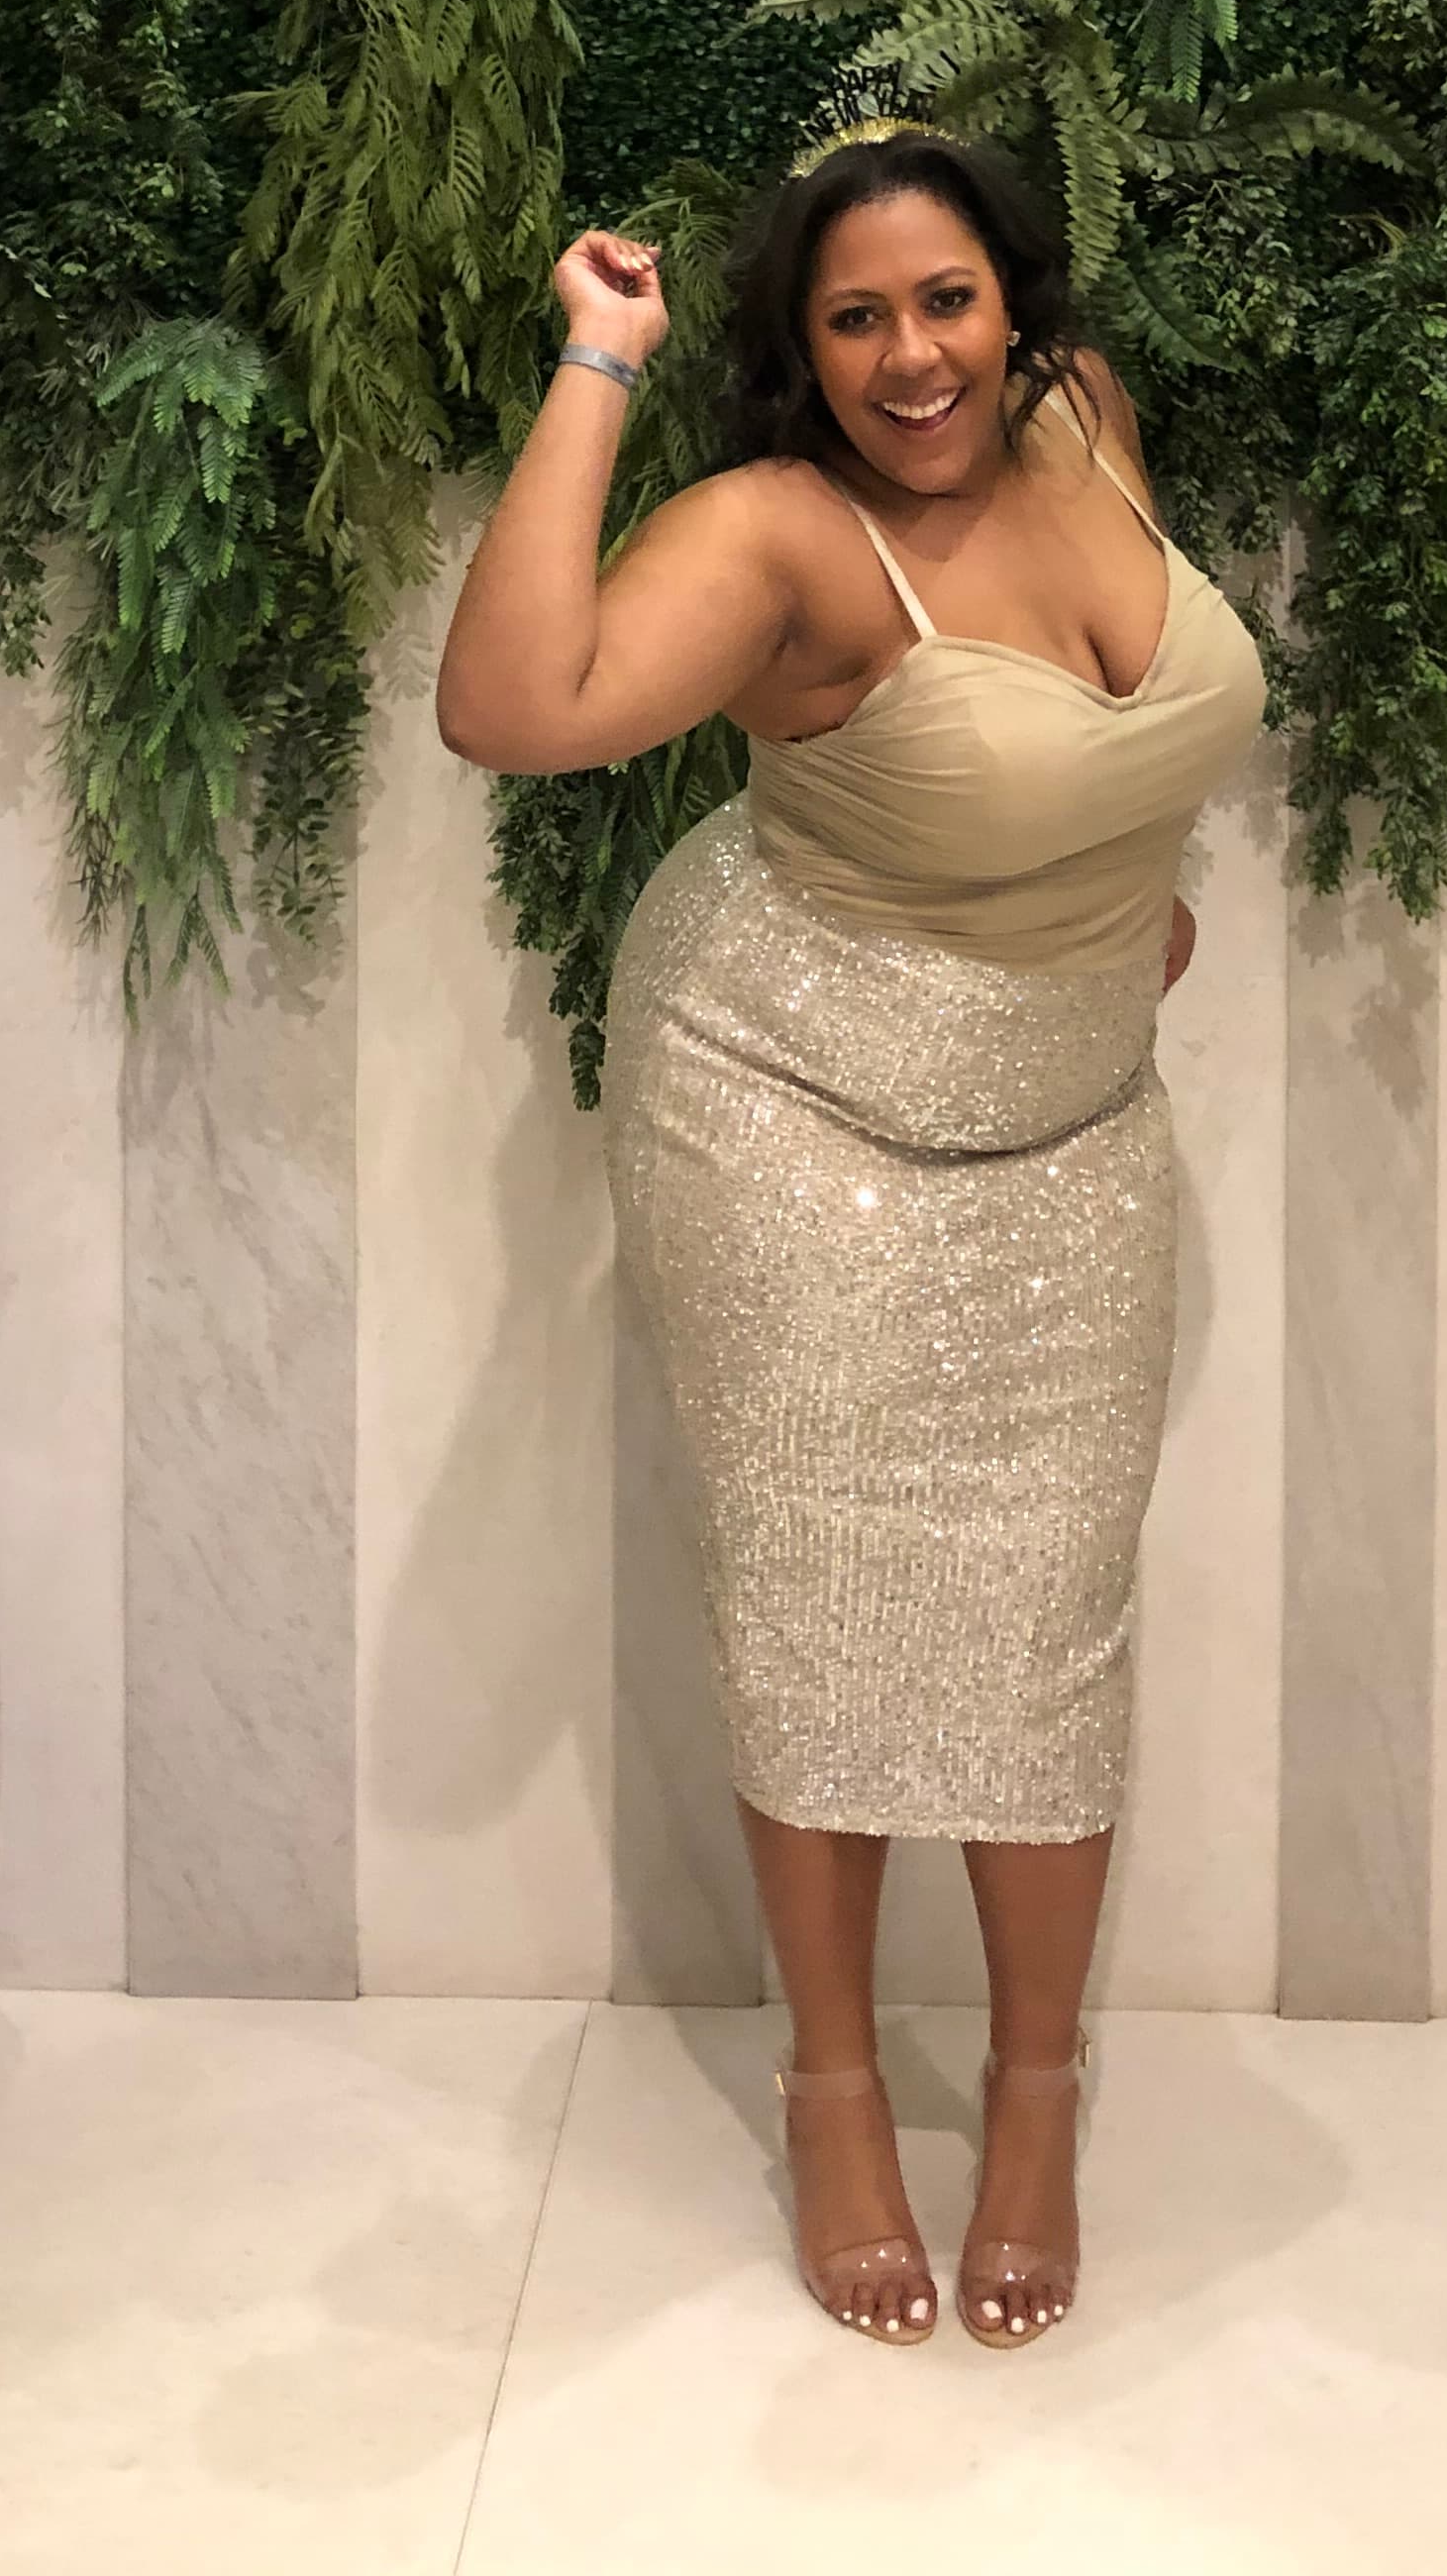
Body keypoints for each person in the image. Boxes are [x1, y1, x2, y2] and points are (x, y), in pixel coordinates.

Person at [436, 126, 1265, 2350]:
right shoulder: (779, 540)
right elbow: (511, 710)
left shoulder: (1087, 423)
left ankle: (1036, 2091)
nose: (916, 354)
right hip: (790, 1106)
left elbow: (1119, 727)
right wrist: (598, 367)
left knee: (1048, 1616)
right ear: (799, 353)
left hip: (1074, 1125)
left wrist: (1118, 917)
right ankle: (827, 2088)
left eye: (949, 301)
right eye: (857, 317)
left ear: (1019, 305)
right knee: (822, 1608)